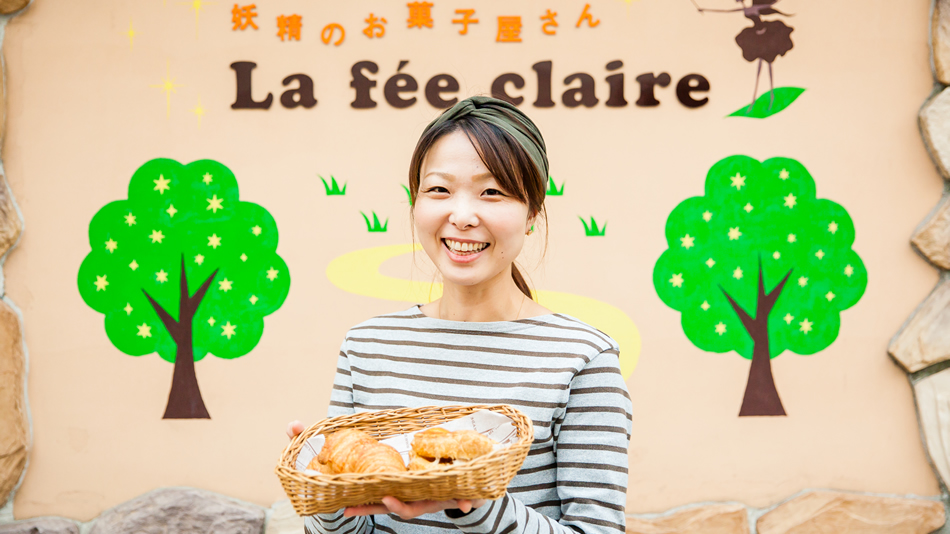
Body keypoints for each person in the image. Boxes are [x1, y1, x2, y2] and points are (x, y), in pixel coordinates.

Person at [287, 96, 633, 534]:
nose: (463, 216)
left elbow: (597, 530)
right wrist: (324, 493)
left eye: (492, 192)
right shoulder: (367, 346)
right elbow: (355, 527)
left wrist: (475, 505)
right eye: (439, 190)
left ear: (532, 213)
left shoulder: (584, 357)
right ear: (415, 202)